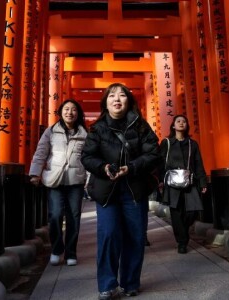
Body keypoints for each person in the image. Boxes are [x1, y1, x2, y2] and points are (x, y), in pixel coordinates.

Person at [81, 83, 160, 300]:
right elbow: (87, 157)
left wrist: (131, 167)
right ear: (105, 102)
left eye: (122, 95)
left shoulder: (141, 126)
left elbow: (153, 153)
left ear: (129, 101)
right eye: (112, 96)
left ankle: (130, 283)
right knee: (109, 234)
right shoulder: (97, 128)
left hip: (134, 188)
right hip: (107, 190)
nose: (117, 99)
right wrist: (103, 167)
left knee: (135, 236)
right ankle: (107, 284)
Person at [29, 99, 88, 266]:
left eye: (74, 110)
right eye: (66, 109)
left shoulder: (84, 134)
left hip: (75, 180)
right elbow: (41, 152)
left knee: (73, 217)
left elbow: (88, 158)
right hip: (54, 179)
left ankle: (71, 253)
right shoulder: (51, 131)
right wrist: (35, 173)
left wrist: (89, 179)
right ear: (61, 112)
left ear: (78, 114)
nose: (70, 112)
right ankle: (56, 249)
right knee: (55, 215)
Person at [159, 114, 207, 254]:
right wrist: (161, 180)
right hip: (172, 182)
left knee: (192, 211)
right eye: (178, 121)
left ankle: (183, 232)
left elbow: (198, 164)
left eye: (184, 121)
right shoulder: (167, 142)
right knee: (176, 212)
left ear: (187, 125)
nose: (181, 123)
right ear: (173, 126)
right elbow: (160, 163)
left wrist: (202, 181)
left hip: (189, 181)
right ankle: (182, 242)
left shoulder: (193, 144)